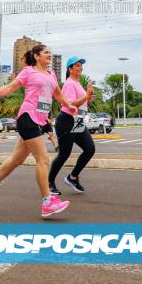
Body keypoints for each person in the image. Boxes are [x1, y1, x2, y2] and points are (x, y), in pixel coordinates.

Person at [0, 44, 76, 218]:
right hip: (27, 117)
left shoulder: (51, 74)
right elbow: (10, 88)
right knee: (43, 158)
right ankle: (47, 202)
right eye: (46, 52)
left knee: (17, 159)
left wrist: (68, 105)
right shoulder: (28, 71)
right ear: (37, 56)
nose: (49, 55)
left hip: (39, 120)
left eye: (50, 53)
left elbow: (58, 94)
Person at [48, 57, 96, 196]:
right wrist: (86, 96)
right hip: (66, 120)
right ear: (70, 69)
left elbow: (80, 102)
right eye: (77, 65)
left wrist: (88, 97)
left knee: (89, 149)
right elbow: (70, 104)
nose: (80, 67)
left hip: (78, 120)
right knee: (64, 154)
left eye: (81, 66)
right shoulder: (69, 83)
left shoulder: (78, 83)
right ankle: (49, 182)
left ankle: (72, 177)